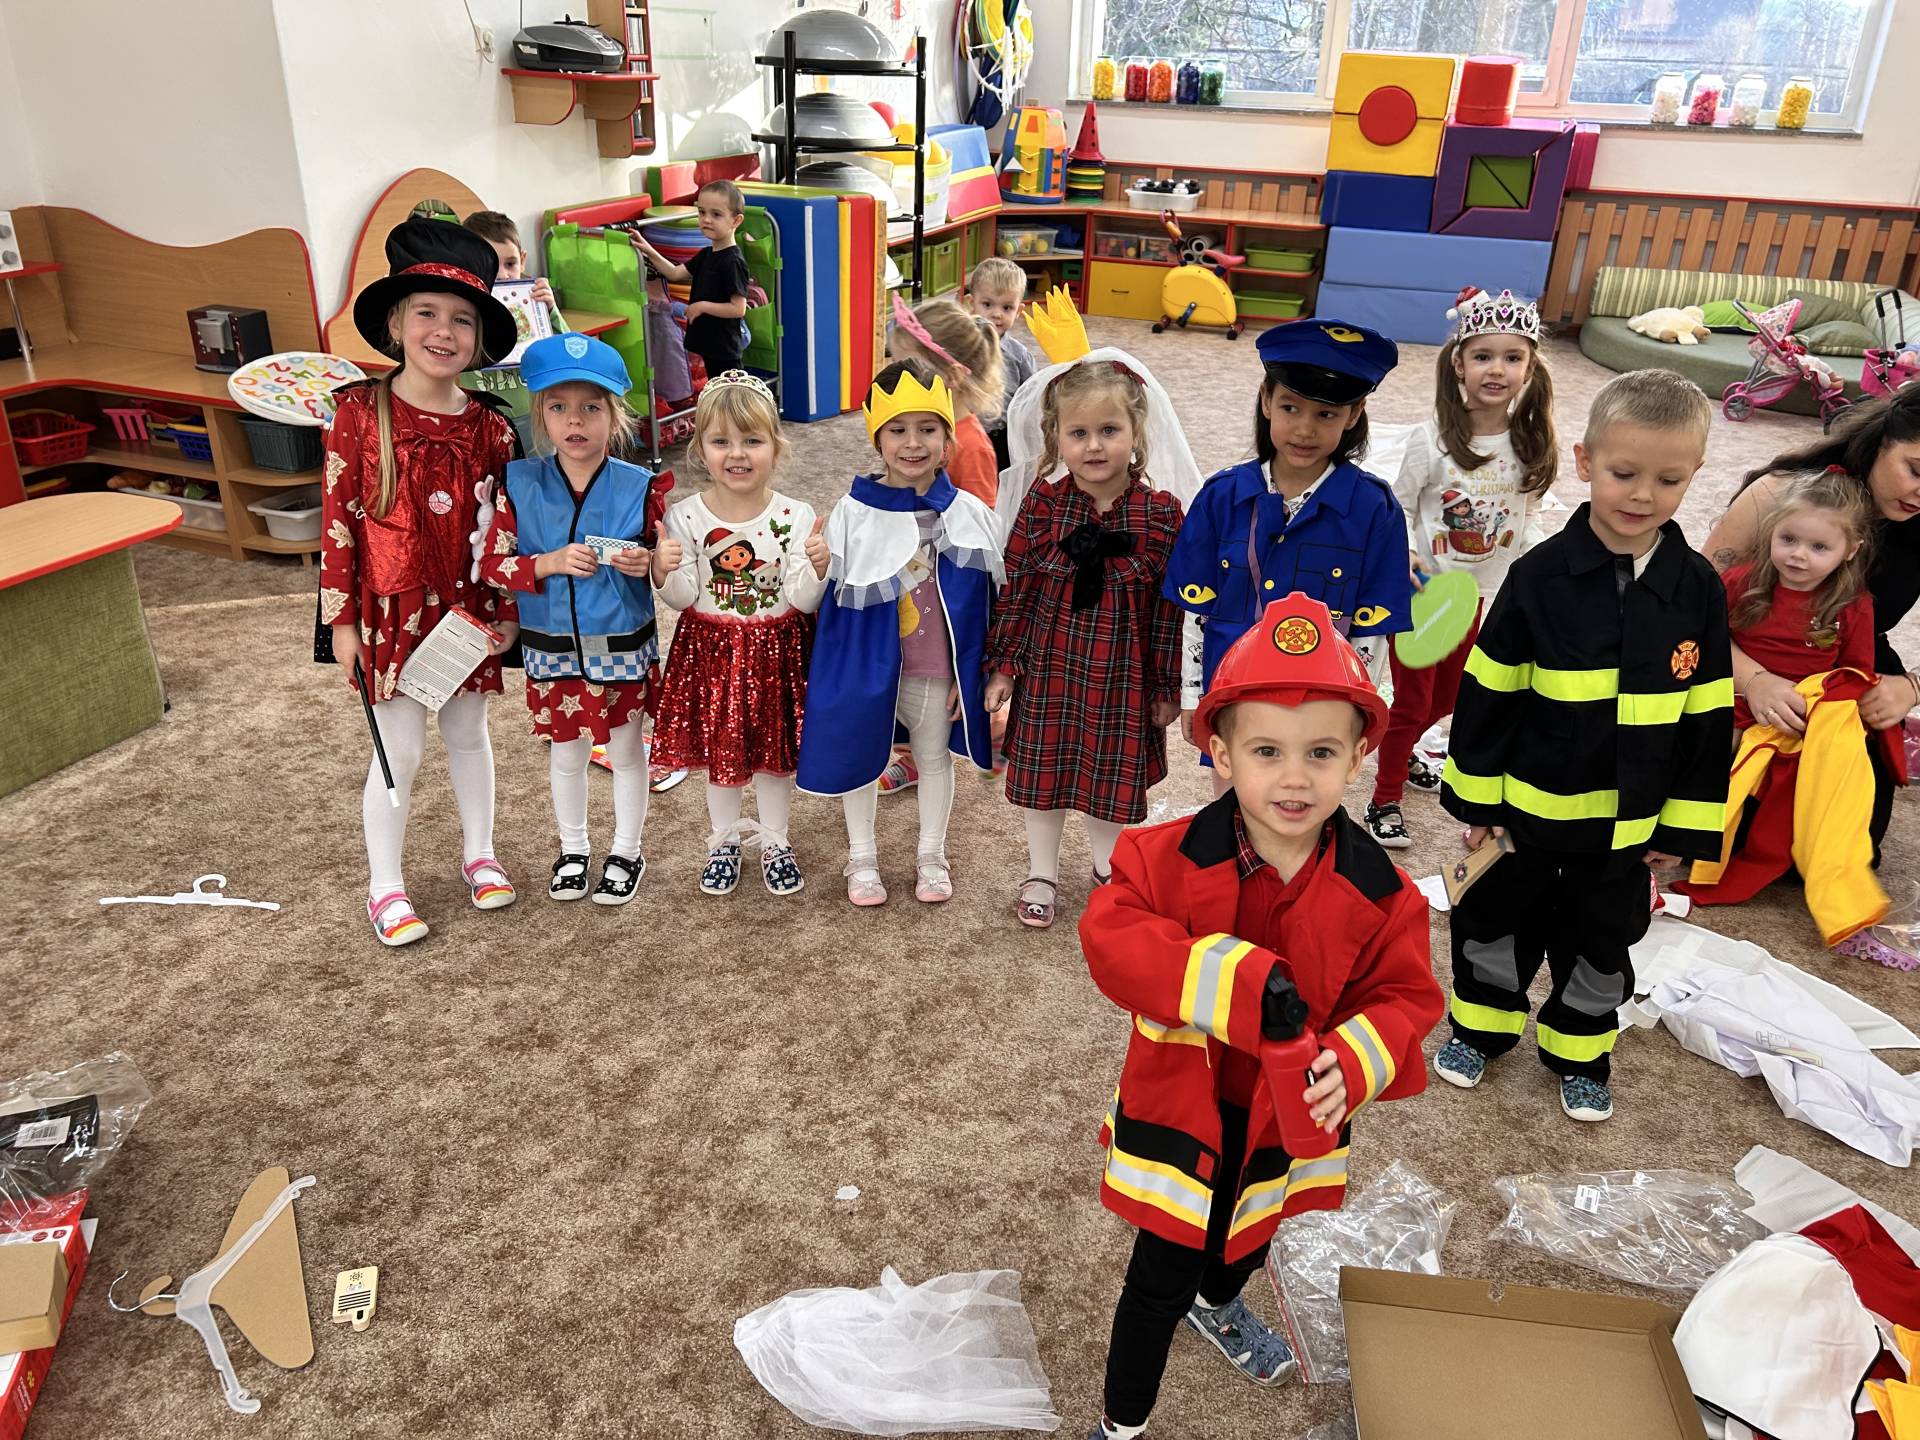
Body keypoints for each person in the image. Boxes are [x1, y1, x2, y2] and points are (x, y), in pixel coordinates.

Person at [1079, 593, 1442, 1440]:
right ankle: (1121, 1428)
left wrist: (1353, 1061)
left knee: (1249, 1239)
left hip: (1290, 1113)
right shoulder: (1156, 857)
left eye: (1321, 752)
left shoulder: (1384, 894)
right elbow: (1112, 939)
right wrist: (1242, 986)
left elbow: (1406, 996)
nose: (1294, 778)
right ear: (1220, 752)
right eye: (1267, 751)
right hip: (1185, 1110)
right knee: (1156, 1278)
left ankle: (1219, 1302)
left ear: (1359, 756)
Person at [1437, 369, 1733, 1123]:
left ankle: (1579, 1050)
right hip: (1526, 814)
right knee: (1494, 925)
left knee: (1602, 944)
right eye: (1623, 473)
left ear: (1694, 475)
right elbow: (1490, 693)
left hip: (1628, 829)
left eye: (1668, 480)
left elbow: (1707, 716)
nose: (1642, 495)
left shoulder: (1698, 588)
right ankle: (1480, 1028)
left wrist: (1682, 829)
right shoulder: (1536, 576)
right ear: (1584, 461)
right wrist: (1477, 803)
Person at [319, 217, 523, 946]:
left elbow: (507, 529)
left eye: (462, 320)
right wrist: (340, 624)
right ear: (396, 325)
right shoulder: (357, 414)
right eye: (427, 314)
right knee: (398, 749)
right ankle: (386, 885)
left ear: (479, 337)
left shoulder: (495, 430)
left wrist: (508, 610)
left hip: (468, 611)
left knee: (468, 732)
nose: (444, 332)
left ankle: (480, 854)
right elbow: (338, 521)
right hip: (390, 610)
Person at [1164, 320, 1410, 796]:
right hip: (1234, 694)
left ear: (1354, 414)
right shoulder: (1221, 497)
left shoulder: (1374, 510)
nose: (1304, 429)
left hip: (1321, 704)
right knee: (1232, 809)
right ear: (1265, 401)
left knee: (1303, 812)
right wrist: (1192, 694)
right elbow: (1197, 610)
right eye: (1290, 407)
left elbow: (1372, 627)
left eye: (1326, 414)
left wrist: (1359, 707)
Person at [984, 357, 1183, 927]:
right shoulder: (1042, 504)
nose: (1094, 445)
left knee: (1109, 779)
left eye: (1109, 430)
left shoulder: (1162, 514)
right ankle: (1041, 871)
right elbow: (1018, 586)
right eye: (1078, 433)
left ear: (1136, 432)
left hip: (1123, 674)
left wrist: (1166, 685)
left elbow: (1170, 612)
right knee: (1043, 777)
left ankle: (1108, 868)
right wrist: (1005, 665)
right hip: (1051, 667)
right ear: (1057, 438)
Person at [796, 360, 1001, 906]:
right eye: (898, 430)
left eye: (927, 428)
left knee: (932, 759)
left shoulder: (969, 512)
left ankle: (932, 855)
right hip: (866, 669)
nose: (913, 443)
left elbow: (987, 603)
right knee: (862, 758)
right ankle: (861, 858)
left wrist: (973, 671)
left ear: (947, 438)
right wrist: (819, 566)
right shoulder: (850, 512)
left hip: (936, 671)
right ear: (877, 439)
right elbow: (822, 600)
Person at [479, 333, 663, 905]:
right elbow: (492, 565)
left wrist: (647, 562)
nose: (575, 420)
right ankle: (574, 849)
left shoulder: (641, 487)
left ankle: (627, 851)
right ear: (541, 415)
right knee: (566, 754)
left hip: (622, 647)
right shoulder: (518, 484)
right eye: (558, 407)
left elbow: (668, 566)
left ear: (616, 416)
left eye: (591, 407)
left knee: (627, 753)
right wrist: (547, 563)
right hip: (551, 647)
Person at [1368, 288, 1554, 849]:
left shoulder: (1529, 442)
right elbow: (1398, 505)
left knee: (1453, 699)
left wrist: (1542, 564)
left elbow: (1528, 515)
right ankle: (1384, 799)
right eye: (1483, 356)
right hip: (1425, 592)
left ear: (1529, 369)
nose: (1496, 369)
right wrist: (1405, 550)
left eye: (1512, 357)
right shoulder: (1432, 440)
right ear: (1458, 364)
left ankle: (1402, 752)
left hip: (1478, 593)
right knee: (1413, 702)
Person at [1702, 386, 1920, 860]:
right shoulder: (1782, 493)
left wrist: (1910, 687)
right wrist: (1754, 681)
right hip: (1741, 652)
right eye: (1916, 471)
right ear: (1882, 440)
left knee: (1841, 845)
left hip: (1844, 665)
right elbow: (1691, 614)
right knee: (1709, 817)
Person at [1680, 468, 1895, 946]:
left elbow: (1855, 672)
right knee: (1706, 744)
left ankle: (1790, 850)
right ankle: (1683, 831)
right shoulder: (1741, 582)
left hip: (1803, 714)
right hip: (1737, 697)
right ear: (1771, 531)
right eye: (1789, 539)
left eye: (1819, 547)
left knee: (1827, 770)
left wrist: (1825, 713)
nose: (1799, 555)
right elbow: (1703, 640)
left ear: (1851, 550)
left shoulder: (1853, 605)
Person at [652, 370, 825, 897]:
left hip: (777, 653)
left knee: (773, 758)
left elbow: (802, 600)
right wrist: (663, 567)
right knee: (720, 756)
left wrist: (820, 568)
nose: (737, 454)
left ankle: (775, 840)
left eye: (752, 440)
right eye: (721, 441)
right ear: (700, 449)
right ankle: (723, 840)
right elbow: (681, 596)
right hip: (710, 653)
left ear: (776, 445)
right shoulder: (684, 516)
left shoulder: (797, 515)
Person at [875, 294, 1008, 795]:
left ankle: (983, 730)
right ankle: (914, 746)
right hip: (911, 575)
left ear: (949, 376)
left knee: (939, 676)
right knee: (905, 668)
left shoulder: (969, 448)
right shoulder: (918, 437)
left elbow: (978, 546)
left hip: (945, 588)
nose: (894, 375)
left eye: (906, 364)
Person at [629, 180, 752, 380]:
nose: (706, 219)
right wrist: (648, 249)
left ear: (736, 221)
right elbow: (674, 273)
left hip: (725, 349)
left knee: (729, 392)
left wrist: (702, 306)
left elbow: (738, 308)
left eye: (716, 214)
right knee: (714, 389)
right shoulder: (705, 254)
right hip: (710, 344)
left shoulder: (733, 262)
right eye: (702, 212)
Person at [966, 256, 1042, 471]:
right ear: (971, 303)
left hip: (1003, 437)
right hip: (962, 433)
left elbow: (1033, 396)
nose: (997, 314)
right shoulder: (958, 346)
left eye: (1007, 307)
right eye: (987, 304)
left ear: (1019, 311)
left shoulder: (1019, 355)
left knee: (1000, 483)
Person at [462, 209, 556, 315]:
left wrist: (550, 310)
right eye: (490, 266)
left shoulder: (533, 295)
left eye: (510, 264)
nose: (502, 275)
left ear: (522, 261)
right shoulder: (464, 304)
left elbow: (562, 327)